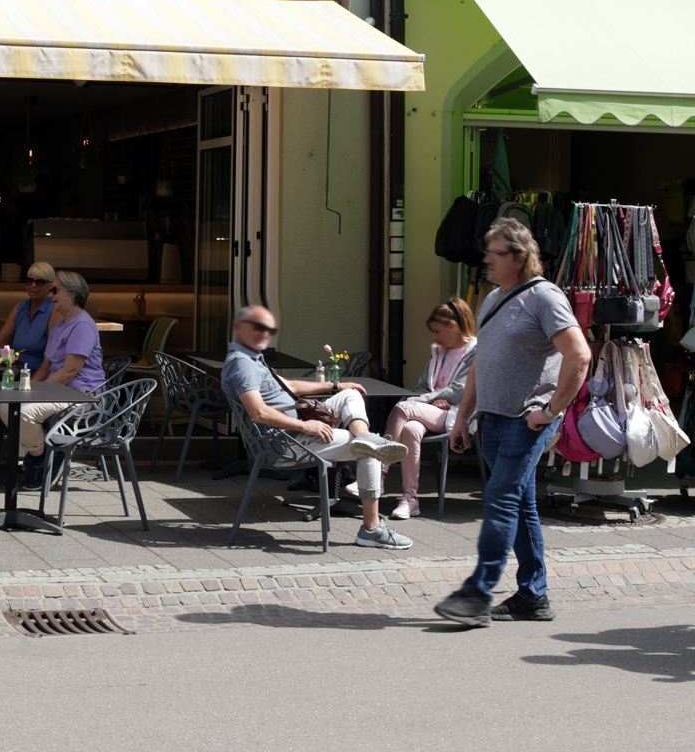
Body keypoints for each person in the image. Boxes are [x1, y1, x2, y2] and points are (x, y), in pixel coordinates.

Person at [435, 219, 591, 628]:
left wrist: (551, 411)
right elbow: (478, 366)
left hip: (527, 422)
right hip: (493, 420)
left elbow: (579, 356)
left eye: (495, 252)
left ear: (519, 258)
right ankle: (533, 597)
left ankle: (476, 594)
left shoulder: (545, 298)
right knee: (520, 506)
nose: (486, 258)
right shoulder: (491, 300)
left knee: (501, 501)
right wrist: (462, 417)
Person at [220, 305, 414, 551]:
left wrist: (337, 386)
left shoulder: (253, 358)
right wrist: (305, 425)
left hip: (294, 433)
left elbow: (289, 385)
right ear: (239, 329)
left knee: (351, 395)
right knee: (369, 452)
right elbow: (258, 412)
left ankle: (365, 437)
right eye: (257, 327)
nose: (264, 333)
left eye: (268, 328)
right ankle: (372, 530)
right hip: (286, 443)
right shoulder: (242, 364)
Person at [0, 270, 105, 489]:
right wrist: (26, 389)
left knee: (24, 411)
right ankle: (42, 454)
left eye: (55, 290)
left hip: (83, 396)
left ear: (73, 294)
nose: (50, 295)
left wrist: (37, 392)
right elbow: (47, 367)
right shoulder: (59, 325)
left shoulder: (82, 325)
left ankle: (39, 460)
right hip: (61, 391)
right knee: (7, 405)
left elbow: (69, 371)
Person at [377, 298, 477, 519]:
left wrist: (423, 401)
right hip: (431, 412)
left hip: (457, 415)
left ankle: (378, 474)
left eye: (437, 331)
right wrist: (430, 400)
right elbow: (423, 386)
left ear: (453, 326)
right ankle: (410, 499)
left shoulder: (474, 351)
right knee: (411, 429)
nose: (434, 337)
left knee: (403, 407)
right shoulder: (438, 352)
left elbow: (459, 391)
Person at [0, 261, 55, 373]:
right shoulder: (20, 307)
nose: (33, 285)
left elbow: (51, 360)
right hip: (18, 373)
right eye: (30, 281)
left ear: (50, 286)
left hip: (41, 378)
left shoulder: (54, 310)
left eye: (40, 282)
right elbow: (0, 343)